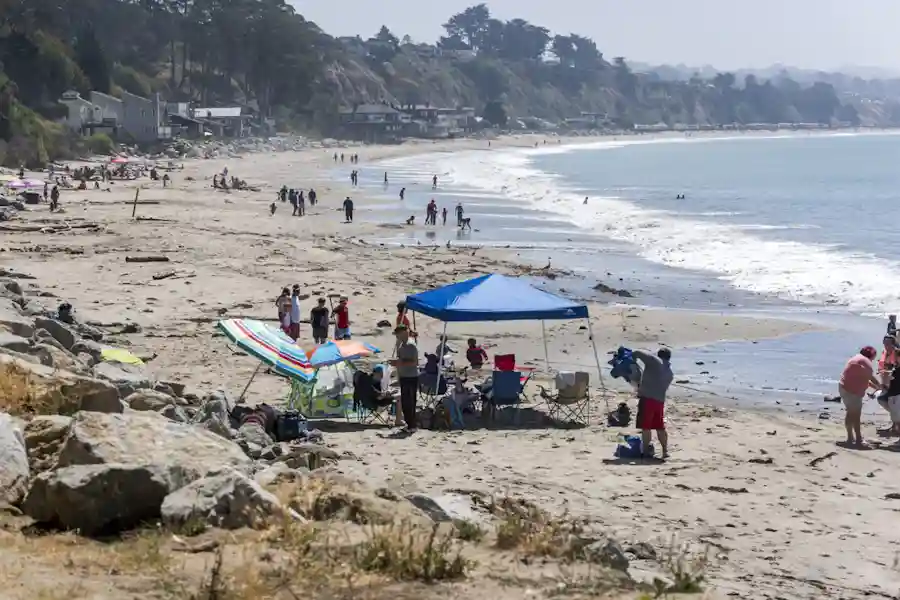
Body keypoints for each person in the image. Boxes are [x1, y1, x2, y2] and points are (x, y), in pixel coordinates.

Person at [633, 348, 674, 459]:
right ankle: (665, 451)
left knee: (646, 427)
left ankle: (645, 452)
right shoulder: (670, 373)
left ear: (659, 355)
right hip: (660, 402)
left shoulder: (654, 361)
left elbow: (637, 352)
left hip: (647, 399)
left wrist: (633, 361)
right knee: (660, 427)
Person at [839, 346, 882, 446]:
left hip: (843, 387)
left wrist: (875, 386)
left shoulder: (855, 358)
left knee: (850, 413)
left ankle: (850, 438)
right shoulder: (866, 362)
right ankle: (859, 439)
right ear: (872, 355)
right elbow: (871, 377)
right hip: (852, 391)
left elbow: (863, 378)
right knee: (856, 416)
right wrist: (880, 385)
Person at [390, 325, 419, 432]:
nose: (397, 337)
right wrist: (396, 362)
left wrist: (399, 362)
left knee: (410, 402)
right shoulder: (402, 345)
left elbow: (414, 362)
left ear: (403, 333)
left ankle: (412, 425)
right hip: (403, 376)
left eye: (398, 334)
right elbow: (401, 358)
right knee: (405, 402)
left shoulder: (411, 345)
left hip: (411, 376)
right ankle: (409, 424)